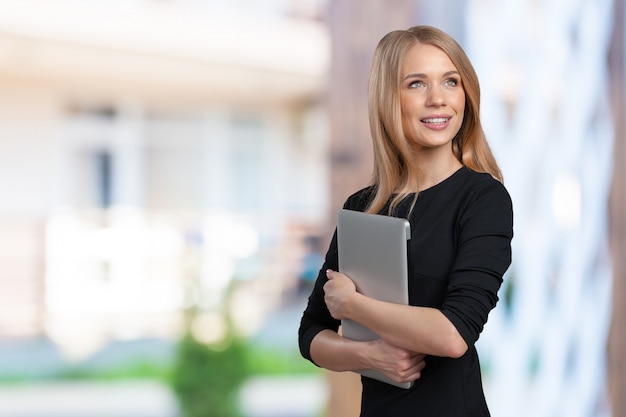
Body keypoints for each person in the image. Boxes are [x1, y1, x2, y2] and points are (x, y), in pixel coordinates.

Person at [298, 25, 513, 416]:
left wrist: (354, 305)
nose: (438, 99)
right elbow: (311, 333)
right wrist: (368, 355)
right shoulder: (363, 206)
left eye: (451, 81)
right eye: (416, 84)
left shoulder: (483, 199)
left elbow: (453, 335)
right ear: (388, 99)